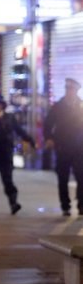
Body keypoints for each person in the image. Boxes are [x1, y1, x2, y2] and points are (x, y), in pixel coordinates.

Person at [0, 93, 36, 214]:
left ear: (0, 106)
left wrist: (30, 140)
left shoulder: (9, 118)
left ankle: (13, 203)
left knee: (7, 180)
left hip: (4, 154)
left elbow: (19, 130)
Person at [43, 77, 83, 216]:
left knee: (81, 176)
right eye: (67, 89)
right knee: (63, 177)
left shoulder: (81, 105)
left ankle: (81, 205)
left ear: (76, 91)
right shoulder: (58, 106)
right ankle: (65, 205)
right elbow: (48, 123)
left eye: (72, 89)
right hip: (62, 147)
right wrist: (49, 138)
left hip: (79, 148)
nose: (69, 92)